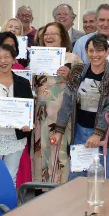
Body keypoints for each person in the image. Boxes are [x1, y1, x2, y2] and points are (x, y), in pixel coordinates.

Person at [51, 34, 109, 179]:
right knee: (77, 179)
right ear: (86, 51)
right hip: (79, 132)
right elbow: (67, 102)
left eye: (99, 51)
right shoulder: (78, 71)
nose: (95, 55)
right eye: (91, 51)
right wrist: (59, 130)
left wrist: (97, 134)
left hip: (102, 136)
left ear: (107, 52)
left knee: (103, 180)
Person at [32, 22, 81, 183]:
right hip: (40, 115)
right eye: (46, 34)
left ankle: (59, 188)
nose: (49, 36)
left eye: (54, 33)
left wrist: (70, 76)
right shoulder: (37, 56)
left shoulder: (73, 59)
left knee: (59, 152)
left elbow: (83, 88)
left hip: (61, 115)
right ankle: (41, 188)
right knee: (40, 152)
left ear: (63, 37)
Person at [0, 44, 33, 179]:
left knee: (11, 175)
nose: (3, 61)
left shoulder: (24, 83)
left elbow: (29, 108)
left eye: (6, 57)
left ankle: (9, 201)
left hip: (15, 136)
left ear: (14, 59)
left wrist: (28, 124)